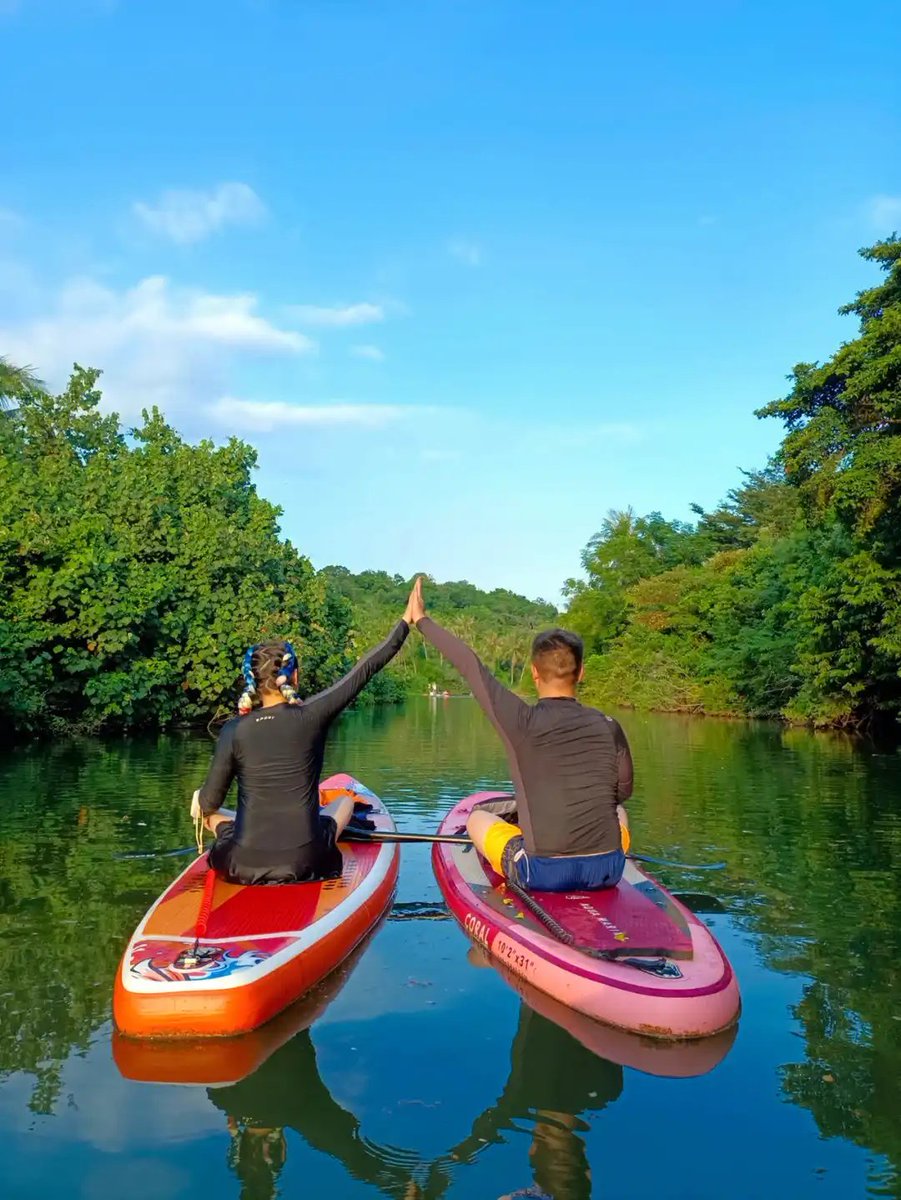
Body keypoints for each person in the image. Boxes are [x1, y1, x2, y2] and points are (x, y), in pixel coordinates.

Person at [407, 577, 632, 892]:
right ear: (581, 672)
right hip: (609, 868)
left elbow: (472, 668)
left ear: (534, 672)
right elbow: (621, 794)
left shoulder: (522, 720)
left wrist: (422, 621)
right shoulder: (609, 725)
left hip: (543, 873)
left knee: (476, 819)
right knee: (619, 811)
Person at [191, 602, 412, 885]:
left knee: (207, 813)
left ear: (251, 681)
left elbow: (210, 802)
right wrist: (406, 622)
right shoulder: (311, 715)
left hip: (242, 865)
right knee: (344, 801)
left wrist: (199, 800)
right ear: (293, 675)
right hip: (307, 861)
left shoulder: (234, 729)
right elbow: (365, 669)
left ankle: (239, 833)